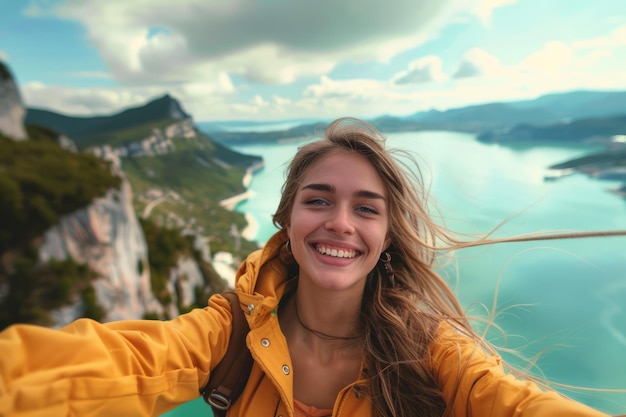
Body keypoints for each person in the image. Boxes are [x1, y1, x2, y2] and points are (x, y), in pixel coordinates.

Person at [0, 117, 620, 417]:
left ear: (386, 237)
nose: (339, 223)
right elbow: (120, 362)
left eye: (366, 209)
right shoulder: (229, 335)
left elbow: (515, 406)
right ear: (286, 221)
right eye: (317, 199)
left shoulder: (436, 356)